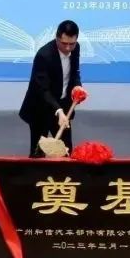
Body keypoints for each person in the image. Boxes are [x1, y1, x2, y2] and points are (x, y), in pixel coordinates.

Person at [18, 20, 84, 158]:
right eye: (64, 43)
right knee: (38, 154)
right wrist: (58, 111)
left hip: (63, 106)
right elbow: (43, 89)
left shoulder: (76, 48)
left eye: (72, 44)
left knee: (66, 152)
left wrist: (77, 86)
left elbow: (74, 72)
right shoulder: (44, 55)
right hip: (40, 108)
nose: (68, 48)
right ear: (57, 38)